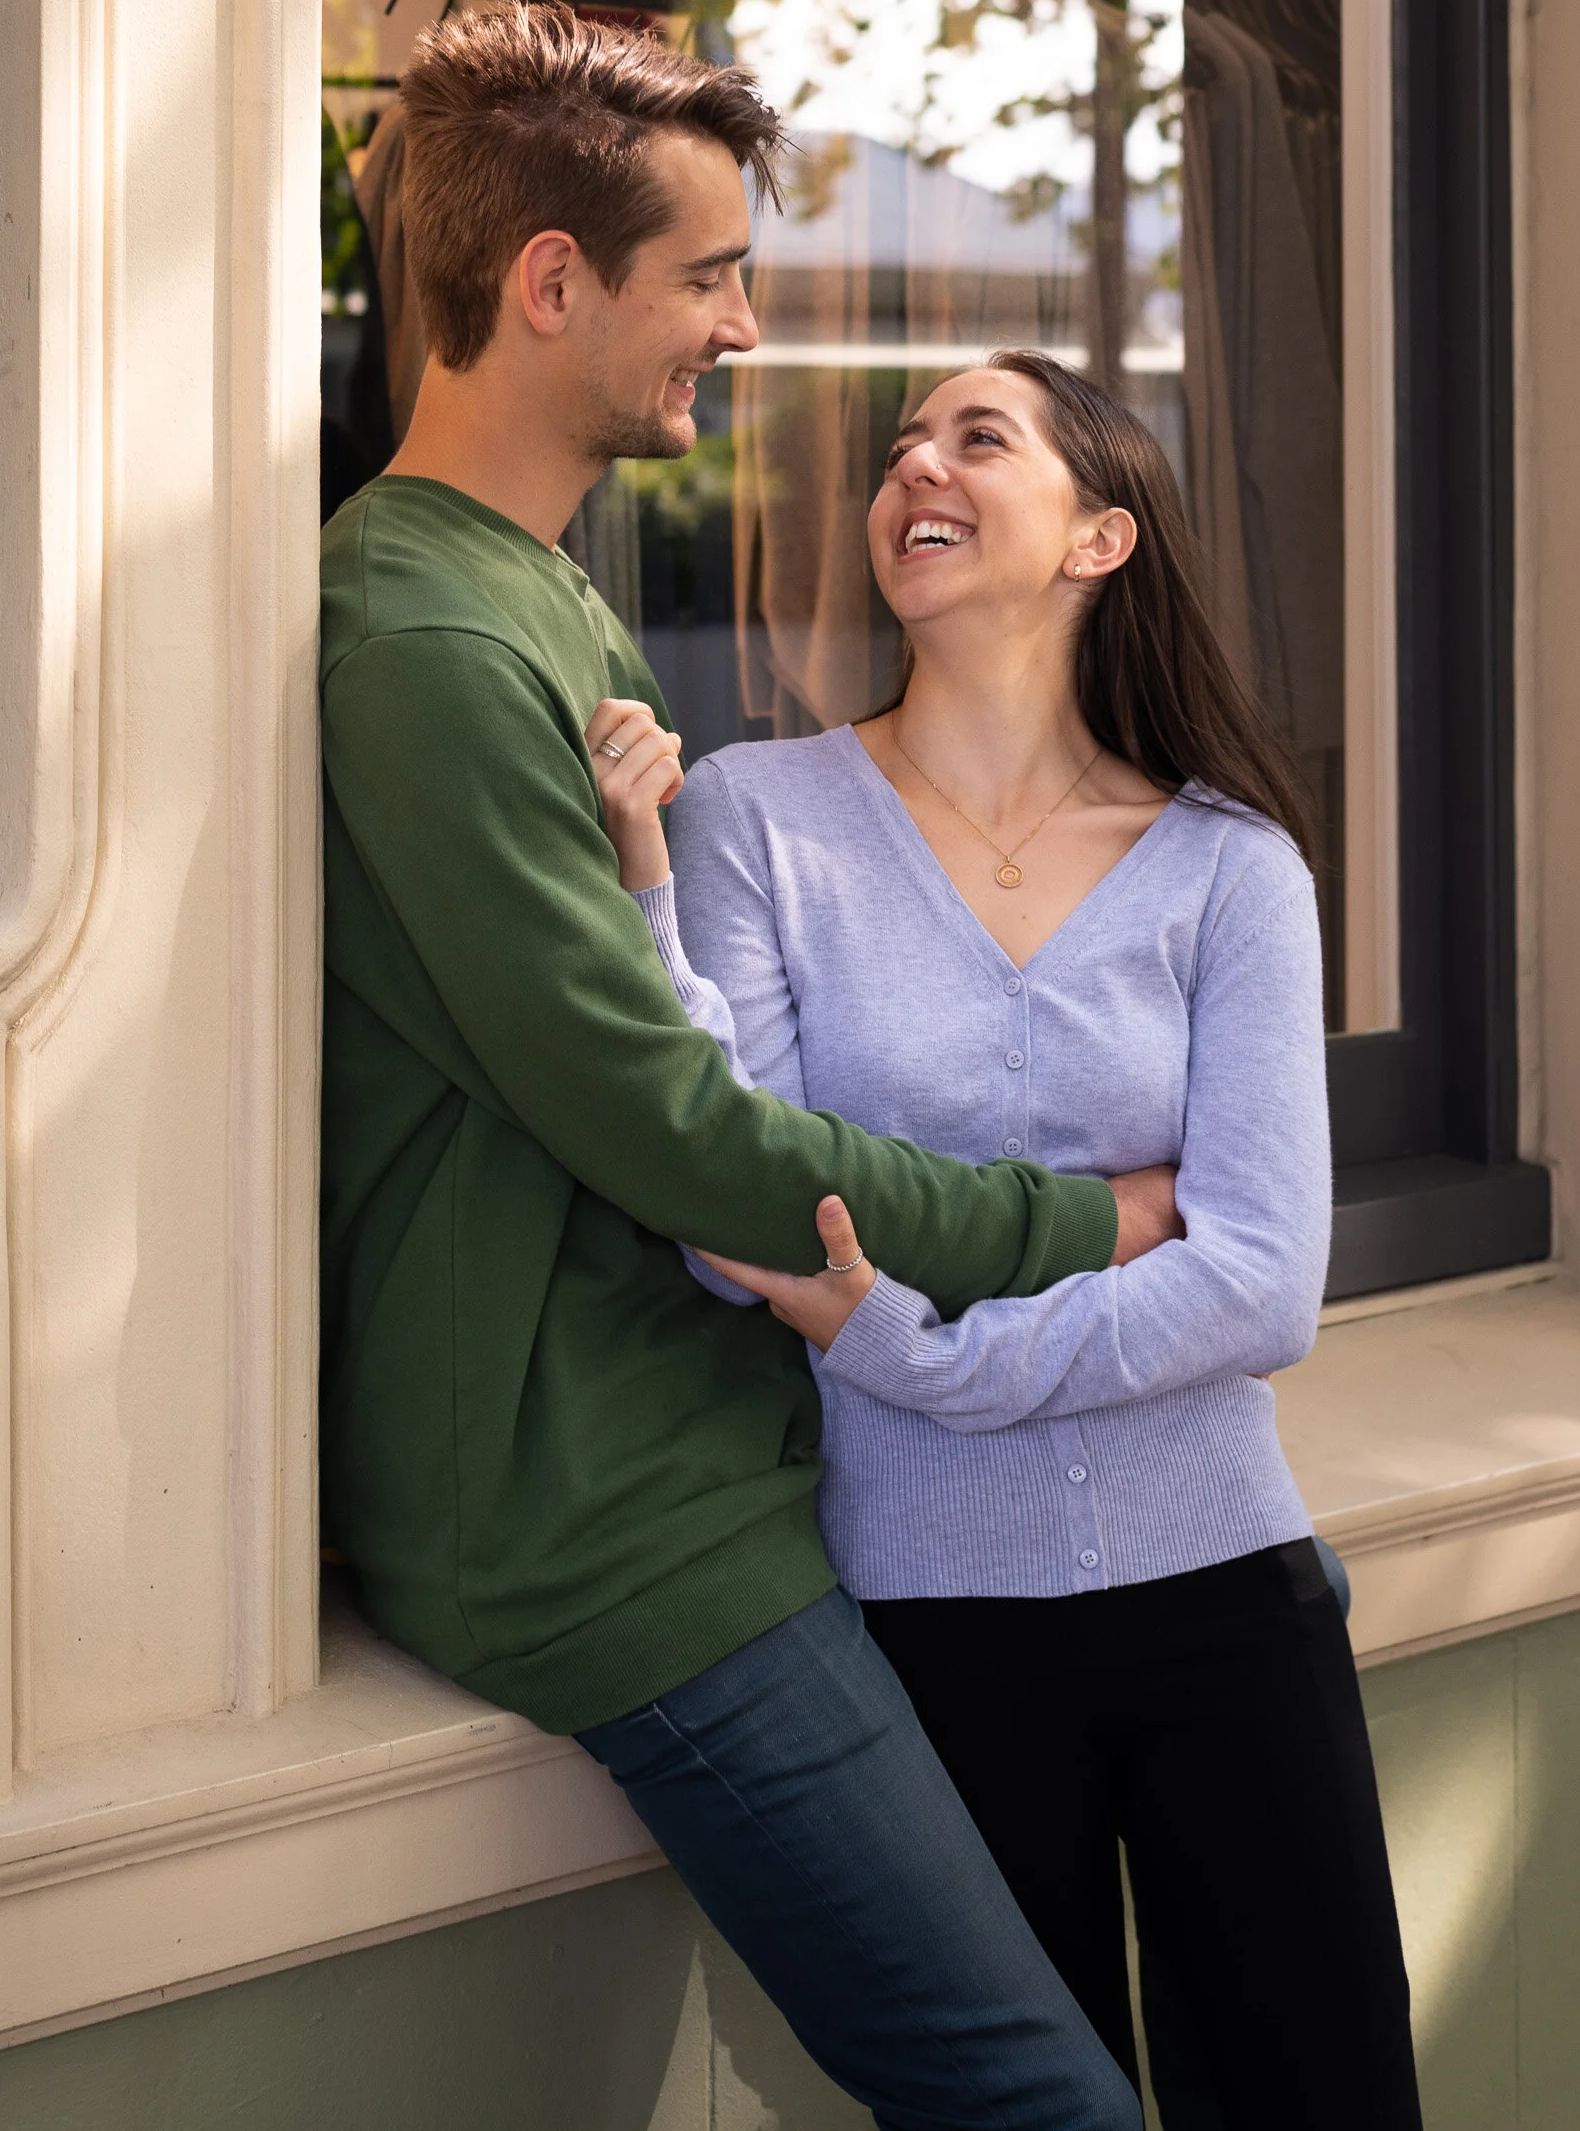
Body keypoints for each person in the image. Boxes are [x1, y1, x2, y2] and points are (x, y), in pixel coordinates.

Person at [319, 5, 1184, 2131]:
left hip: (736, 1453)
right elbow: (674, 1131)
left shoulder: (539, 600)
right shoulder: (423, 643)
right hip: (609, 1522)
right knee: (1035, 2098)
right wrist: (1085, 1224)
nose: (745, 318)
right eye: (703, 273)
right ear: (549, 284)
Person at [596, 348, 1421, 2131]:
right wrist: (648, 884)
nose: (916, 469)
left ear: (1098, 534)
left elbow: (1261, 1278)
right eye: (900, 448)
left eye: (978, 438)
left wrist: (909, 1348)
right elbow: (727, 1207)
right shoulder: (757, 821)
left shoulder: (1229, 869)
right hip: (926, 1618)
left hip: (1229, 1604)